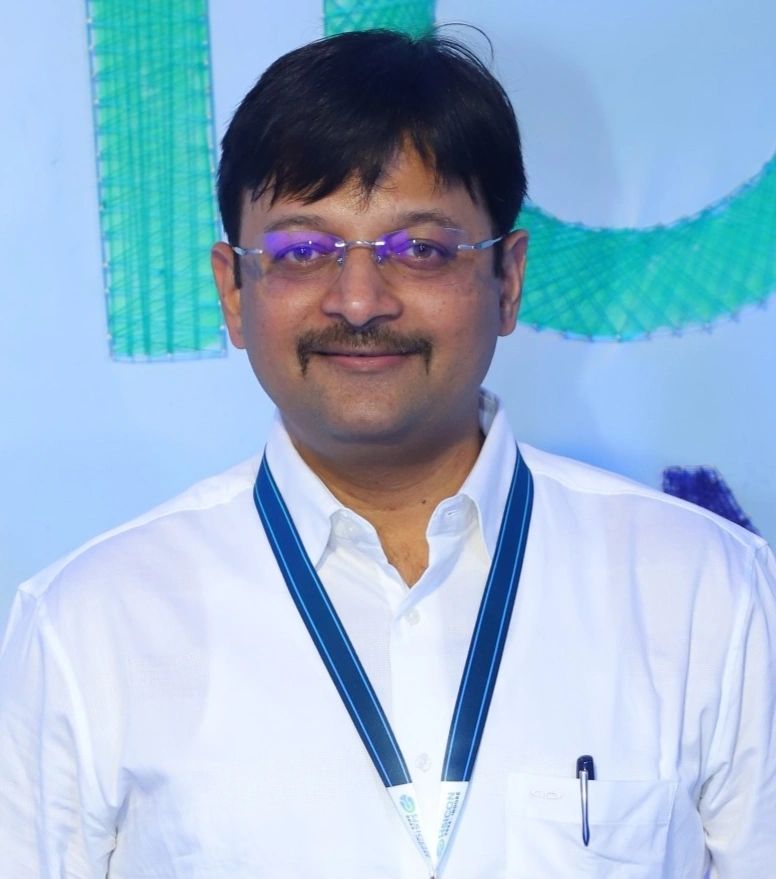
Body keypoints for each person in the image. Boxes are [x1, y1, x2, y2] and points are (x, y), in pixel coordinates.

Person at [1, 28, 774, 879]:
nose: (360, 299)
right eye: (302, 251)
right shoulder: (89, 623)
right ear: (232, 288)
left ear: (508, 279)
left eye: (421, 250)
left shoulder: (707, 590)